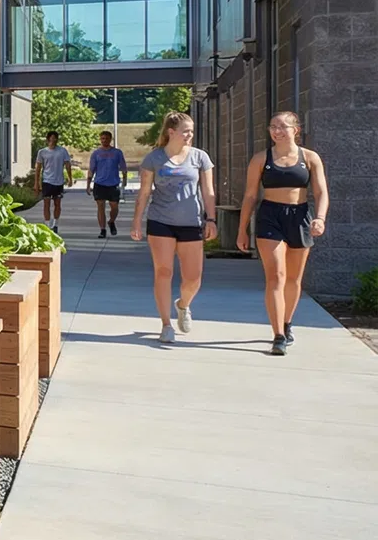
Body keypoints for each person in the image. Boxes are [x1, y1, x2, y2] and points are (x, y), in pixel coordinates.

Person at [236, 111, 330, 356]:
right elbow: (250, 195)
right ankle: (277, 335)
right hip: (270, 216)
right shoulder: (261, 159)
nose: (277, 131)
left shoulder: (310, 158)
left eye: (283, 126)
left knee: (293, 279)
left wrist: (320, 218)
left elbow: (321, 193)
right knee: (276, 275)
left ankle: (287, 323)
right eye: (273, 126)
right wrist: (242, 229)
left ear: (295, 130)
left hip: (300, 216)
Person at [130, 112, 216, 344]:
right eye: (186, 131)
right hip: (161, 222)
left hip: (191, 222)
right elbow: (145, 192)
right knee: (164, 271)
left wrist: (211, 219)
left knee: (193, 278)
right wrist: (137, 221)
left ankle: (183, 305)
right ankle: (166, 325)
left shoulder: (200, 157)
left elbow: (208, 192)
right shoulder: (154, 159)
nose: (190, 135)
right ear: (171, 132)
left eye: (191, 131)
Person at [87, 131, 129, 239]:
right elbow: (91, 169)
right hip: (99, 183)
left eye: (106, 138)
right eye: (102, 138)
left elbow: (123, 166)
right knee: (100, 207)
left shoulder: (117, 152)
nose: (104, 140)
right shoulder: (96, 153)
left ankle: (111, 221)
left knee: (114, 207)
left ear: (110, 139)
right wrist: (88, 184)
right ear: (100, 140)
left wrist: (125, 179)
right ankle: (102, 229)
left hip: (113, 183)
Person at [34, 131, 73, 224]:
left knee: (57, 204)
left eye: (55, 138)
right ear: (48, 139)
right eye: (51, 138)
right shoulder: (42, 152)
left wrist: (70, 178)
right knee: (46, 203)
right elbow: (38, 168)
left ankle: (55, 223)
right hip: (47, 181)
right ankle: (47, 224)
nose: (53, 140)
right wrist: (36, 183)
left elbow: (68, 165)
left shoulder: (62, 151)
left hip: (58, 181)